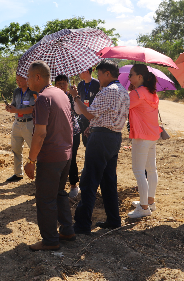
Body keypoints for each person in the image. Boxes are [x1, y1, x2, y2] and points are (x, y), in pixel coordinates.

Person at [69, 60, 130, 234]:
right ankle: (113, 219)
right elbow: (105, 115)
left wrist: (75, 97)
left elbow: (88, 113)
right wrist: (93, 125)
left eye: (99, 74)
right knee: (108, 180)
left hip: (101, 139)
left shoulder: (108, 91)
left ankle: (82, 224)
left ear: (107, 74)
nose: (98, 78)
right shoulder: (124, 91)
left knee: (89, 181)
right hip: (114, 138)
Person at [24, 61, 74, 251]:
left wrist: (31, 161)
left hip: (51, 156)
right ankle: (67, 230)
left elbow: (40, 133)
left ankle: (51, 240)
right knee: (60, 194)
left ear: (37, 77)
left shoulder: (44, 98)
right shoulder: (61, 93)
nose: (27, 81)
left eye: (29, 77)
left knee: (45, 199)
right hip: (65, 155)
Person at [126, 64, 161, 219]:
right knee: (151, 169)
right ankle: (149, 201)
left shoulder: (137, 93)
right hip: (153, 134)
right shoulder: (151, 92)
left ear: (140, 76)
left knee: (139, 171)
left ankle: (144, 207)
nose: (129, 78)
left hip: (141, 135)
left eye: (131, 75)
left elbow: (123, 107)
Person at [72, 68, 100, 198]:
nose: (79, 73)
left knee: (93, 146)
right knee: (85, 145)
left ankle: (91, 171)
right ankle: (88, 167)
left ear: (88, 71)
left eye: (81, 71)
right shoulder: (80, 85)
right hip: (82, 119)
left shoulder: (97, 84)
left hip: (93, 119)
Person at [4, 75, 36, 182]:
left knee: (34, 150)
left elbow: (32, 109)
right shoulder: (16, 91)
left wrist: (17, 110)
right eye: (17, 80)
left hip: (29, 123)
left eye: (20, 80)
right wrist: (10, 108)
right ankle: (18, 174)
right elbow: (14, 105)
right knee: (16, 149)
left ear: (26, 79)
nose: (18, 82)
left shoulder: (32, 92)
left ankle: (40, 174)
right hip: (17, 123)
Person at [54, 74, 81, 195]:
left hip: (72, 132)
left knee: (71, 158)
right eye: (59, 83)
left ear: (67, 84)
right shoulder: (53, 97)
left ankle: (74, 185)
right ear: (55, 85)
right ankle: (59, 186)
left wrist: (75, 95)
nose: (61, 86)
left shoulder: (72, 96)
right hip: (59, 133)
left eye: (64, 83)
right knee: (59, 159)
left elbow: (77, 111)